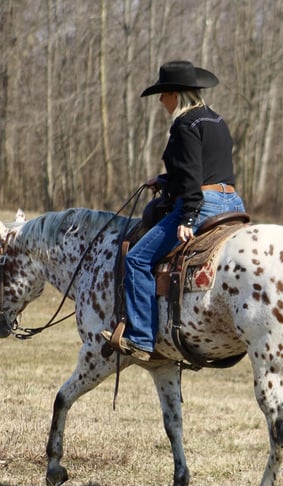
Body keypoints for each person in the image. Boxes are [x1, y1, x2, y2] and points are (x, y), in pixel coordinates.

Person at [101, 60, 246, 361]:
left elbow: (193, 178)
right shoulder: (216, 120)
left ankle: (141, 338)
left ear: (177, 95)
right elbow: (207, 169)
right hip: (232, 201)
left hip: (202, 204)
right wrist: (165, 179)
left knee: (138, 259)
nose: (160, 100)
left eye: (163, 93)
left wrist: (188, 217)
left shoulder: (184, 124)